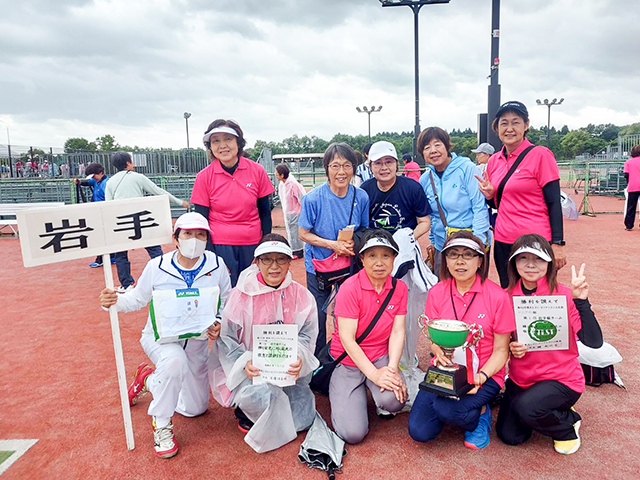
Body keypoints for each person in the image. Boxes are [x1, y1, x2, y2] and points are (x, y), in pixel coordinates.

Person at [99, 212, 232, 458]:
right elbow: (137, 299)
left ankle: (148, 379)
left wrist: (219, 322)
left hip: (197, 341)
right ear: (176, 238)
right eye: (188, 234)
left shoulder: (216, 265)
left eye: (200, 235)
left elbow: (227, 300)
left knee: (195, 409)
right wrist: (113, 300)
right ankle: (161, 425)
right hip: (161, 339)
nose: (194, 239)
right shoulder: (157, 266)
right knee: (173, 363)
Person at [496, 234, 603, 455]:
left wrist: (581, 302)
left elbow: (593, 342)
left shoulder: (564, 294)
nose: (530, 265)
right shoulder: (506, 297)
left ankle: (567, 424)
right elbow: (499, 342)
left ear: (549, 263)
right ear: (514, 263)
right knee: (510, 436)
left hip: (561, 379)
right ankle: (545, 409)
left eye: (538, 258)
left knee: (526, 408)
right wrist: (510, 347)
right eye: (523, 258)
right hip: (522, 379)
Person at [212, 234, 318, 453]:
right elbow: (227, 339)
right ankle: (246, 409)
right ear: (257, 262)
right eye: (267, 259)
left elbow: (307, 335)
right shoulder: (240, 296)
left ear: (290, 262)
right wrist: (244, 365)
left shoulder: (302, 296)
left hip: (287, 372)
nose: (274, 266)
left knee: (303, 419)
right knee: (257, 397)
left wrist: (299, 357)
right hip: (253, 372)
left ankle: (265, 412)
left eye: (281, 259)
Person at [408, 231, 514, 449]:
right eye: (453, 255)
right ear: (445, 260)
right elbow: (434, 340)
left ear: (480, 261)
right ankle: (453, 408)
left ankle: (480, 414)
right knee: (420, 431)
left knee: (449, 409)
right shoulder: (437, 292)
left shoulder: (498, 297)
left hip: (484, 374)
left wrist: (481, 377)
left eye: (467, 255)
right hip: (445, 370)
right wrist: (438, 351)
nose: (460, 261)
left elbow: (502, 351)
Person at [329, 230, 407, 444]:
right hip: (348, 360)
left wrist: (391, 369)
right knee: (352, 434)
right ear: (361, 259)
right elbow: (347, 338)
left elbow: (398, 331)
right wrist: (374, 374)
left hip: (379, 356)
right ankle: (349, 392)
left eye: (386, 255)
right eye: (372, 255)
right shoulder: (349, 288)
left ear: (394, 258)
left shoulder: (399, 288)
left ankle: (371, 390)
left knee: (395, 401)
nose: (379, 262)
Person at [476, 101, 566, 288]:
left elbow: (554, 202)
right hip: (503, 240)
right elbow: (497, 204)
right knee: (508, 292)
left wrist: (557, 243)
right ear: (497, 128)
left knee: (536, 296)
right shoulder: (494, 161)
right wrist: (490, 195)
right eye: (504, 123)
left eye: (515, 122)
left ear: (526, 125)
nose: (509, 128)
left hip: (535, 242)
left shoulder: (541, 155)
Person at [298, 142, 369, 354]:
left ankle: (342, 358)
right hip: (318, 267)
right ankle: (317, 363)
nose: (341, 172)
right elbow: (303, 233)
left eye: (347, 166)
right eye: (335, 165)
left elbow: (364, 230)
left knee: (347, 315)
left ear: (354, 169)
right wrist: (332, 245)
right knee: (317, 318)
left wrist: (353, 244)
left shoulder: (361, 196)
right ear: (326, 168)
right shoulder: (312, 198)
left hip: (348, 267)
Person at [191, 119, 274, 287]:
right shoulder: (204, 177)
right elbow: (201, 220)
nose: (222, 145)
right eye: (216, 141)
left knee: (253, 290)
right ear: (210, 147)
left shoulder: (257, 171)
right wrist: (210, 253)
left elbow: (265, 212)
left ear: (238, 142)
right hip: (220, 245)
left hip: (252, 243)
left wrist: (263, 247)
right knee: (226, 292)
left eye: (228, 139)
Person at [105, 151, 190, 292]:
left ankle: (126, 284)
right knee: (154, 249)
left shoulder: (110, 182)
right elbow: (158, 191)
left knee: (120, 255)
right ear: (128, 163)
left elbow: (108, 203)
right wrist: (179, 202)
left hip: (120, 222)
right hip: (140, 219)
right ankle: (165, 277)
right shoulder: (138, 177)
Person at [418, 127, 491, 278]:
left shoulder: (467, 169)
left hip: (469, 245)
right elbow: (431, 215)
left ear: (447, 146)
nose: (433, 150)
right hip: (441, 246)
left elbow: (479, 207)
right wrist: (432, 241)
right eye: (427, 147)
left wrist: (478, 244)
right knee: (444, 293)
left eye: (437, 144)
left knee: (471, 294)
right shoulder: (425, 179)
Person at [361, 141, 431, 238]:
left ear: (397, 164)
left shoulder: (412, 188)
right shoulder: (364, 190)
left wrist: (408, 239)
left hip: (406, 246)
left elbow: (424, 221)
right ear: (371, 167)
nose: (384, 167)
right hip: (374, 245)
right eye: (378, 163)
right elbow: (361, 225)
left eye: (388, 162)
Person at [74, 162, 113, 268]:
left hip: (105, 213)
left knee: (102, 237)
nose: (93, 178)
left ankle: (100, 259)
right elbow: (88, 182)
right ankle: (111, 256)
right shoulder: (97, 181)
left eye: (94, 176)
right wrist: (80, 182)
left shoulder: (107, 183)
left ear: (100, 173)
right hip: (97, 212)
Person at [275, 163, 306, 258]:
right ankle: (292, 249)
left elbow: (302, 198)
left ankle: (298, 251)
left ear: (282, 175)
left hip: (296, 213)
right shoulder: (282, 184)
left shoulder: (293, 185)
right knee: (290, 232)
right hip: (288, 213)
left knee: (295, 233)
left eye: (277, 174)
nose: (275, 175)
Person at [623, 144, 640, 230]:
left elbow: (626, 174)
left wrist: (629, 183)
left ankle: (629, 225)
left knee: (631, 206)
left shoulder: (628, 162)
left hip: (633, 186)